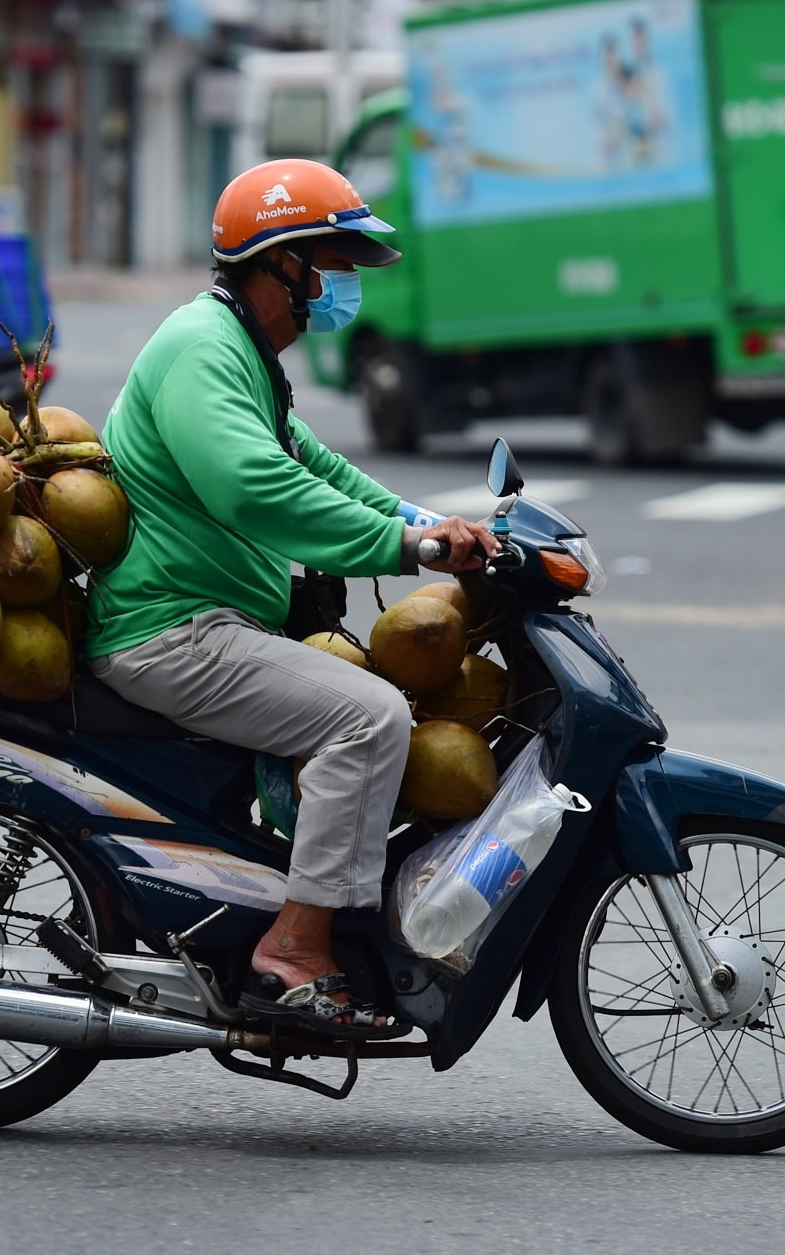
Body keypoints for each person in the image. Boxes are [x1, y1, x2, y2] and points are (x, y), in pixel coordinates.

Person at [86, 159, 499, 1037]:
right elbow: (253, 486)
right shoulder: (204, 349)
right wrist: (404, 545)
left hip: (211, 621)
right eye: (333, 260)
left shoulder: (239, 355)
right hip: (170, 629)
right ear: (282, 265)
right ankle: (297, 948)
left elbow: (320, 469)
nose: (341, 283)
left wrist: (438, 522)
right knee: (369, 716)